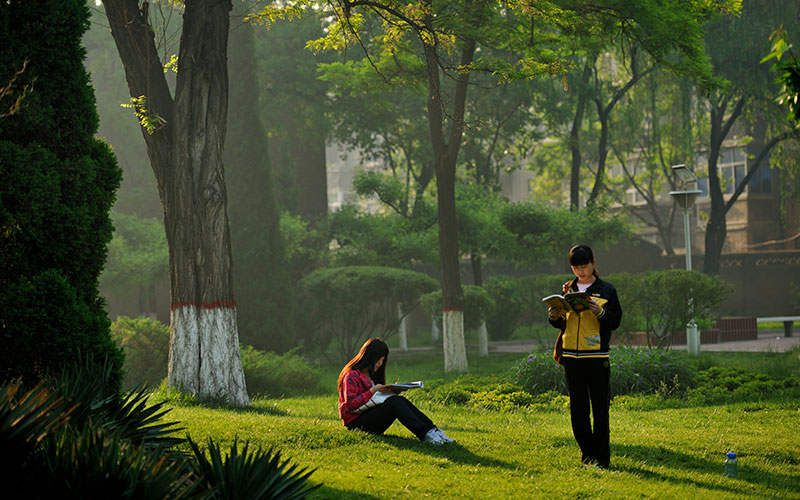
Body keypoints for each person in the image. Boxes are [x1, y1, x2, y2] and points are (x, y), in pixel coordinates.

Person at [547, 244, 622, 469]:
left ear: (593, 263)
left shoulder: (607, 290)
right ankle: (587, 454)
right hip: (571, 356)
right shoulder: (567, 289)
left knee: (600, 409)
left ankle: (602, 458)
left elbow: (615, 321)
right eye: (576, 267)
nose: (581, 271)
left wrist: (600, 312)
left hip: (597, 356)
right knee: (578, 410)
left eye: (584, 266)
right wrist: (553, 315)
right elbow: (561, 323)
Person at [337, 337, 454, 444]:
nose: (380, 364)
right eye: (379, 360)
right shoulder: (351, 375)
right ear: (371, 357)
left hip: (370, 417)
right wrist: (373, 390)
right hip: (357, 424)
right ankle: (426, 435)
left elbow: (377, 400)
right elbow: (350, 405)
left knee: (399, 400)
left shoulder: (371, 375)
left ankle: (432, 430)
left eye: (383, 360)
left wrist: (392, 391)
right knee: (394, 402)